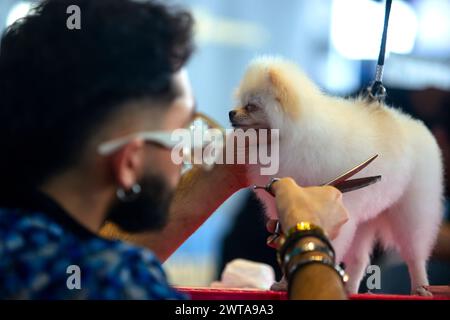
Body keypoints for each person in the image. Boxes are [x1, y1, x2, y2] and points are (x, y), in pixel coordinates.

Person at [0, 0, 348, 299]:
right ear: (130, 162)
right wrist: (309, 240)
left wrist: (228, 171)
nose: (185, 154)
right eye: (181, 131)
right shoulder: (118, 282)